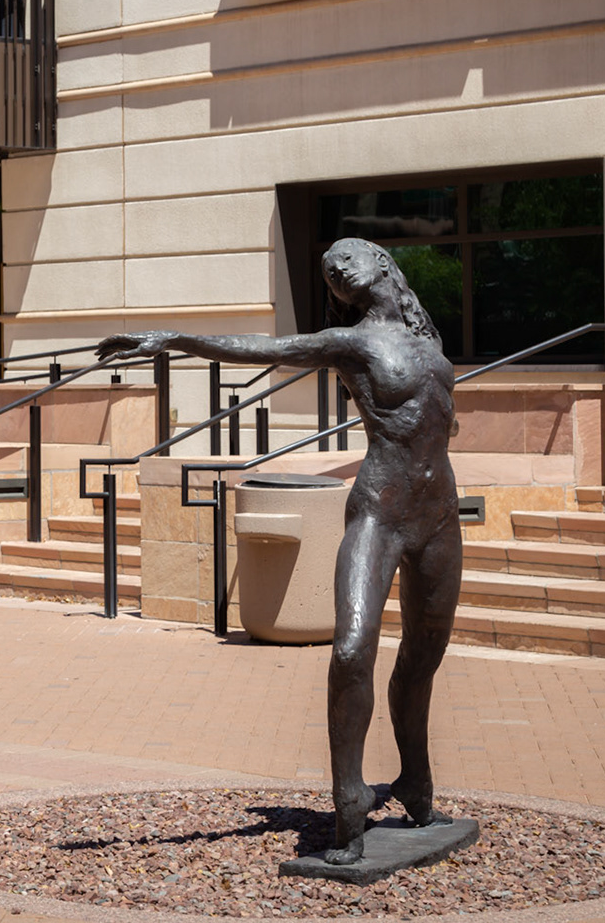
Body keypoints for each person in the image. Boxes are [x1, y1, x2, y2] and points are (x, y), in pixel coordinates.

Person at [95, 237, 459, 865]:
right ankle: (350, 807)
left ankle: (415, 785)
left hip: (441, 516)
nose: (337, 269)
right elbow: (264, 349)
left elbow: (438, 423)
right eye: (327, 270)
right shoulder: (348, 342)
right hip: (381, 511)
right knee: (351, 649)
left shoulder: (431, 345)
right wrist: (176, 340)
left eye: (347, 257)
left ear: (382, 263)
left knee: (422, 659)